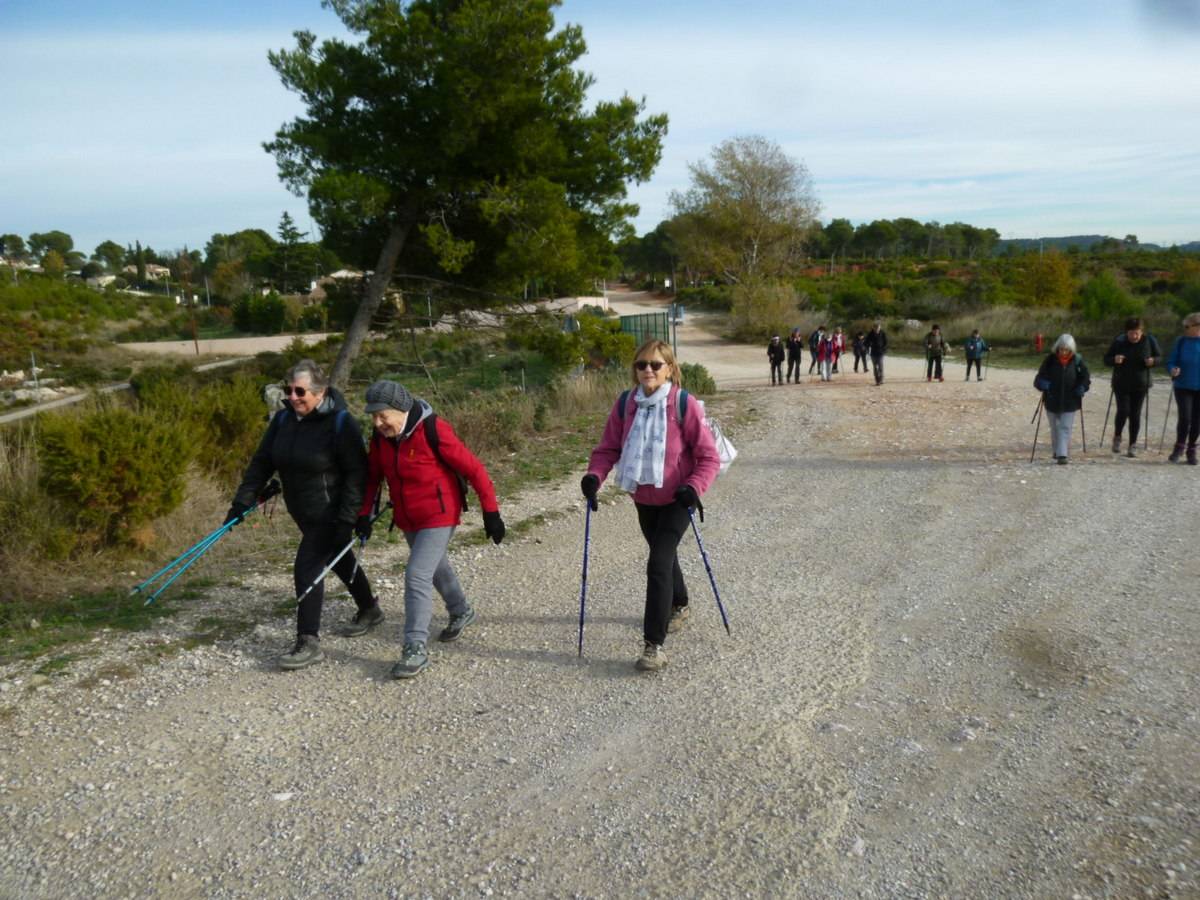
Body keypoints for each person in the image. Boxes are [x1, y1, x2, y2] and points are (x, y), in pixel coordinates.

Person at [581, 339, 721, 672]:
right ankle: (681, 603)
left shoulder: (683, 404)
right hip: (643, 497)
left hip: (677, 498)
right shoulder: (625, 404)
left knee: (657, 562)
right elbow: (607, 450)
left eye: (655, 365)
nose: (647, 370)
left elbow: (708, 457)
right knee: (665, 554)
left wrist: (693, 486)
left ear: (669, 369)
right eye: (641, 365)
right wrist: (593, 477)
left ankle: (652, 645)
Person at [227, 359, 376, 670]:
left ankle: (308, 640)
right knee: (339, 556)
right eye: (288, 390)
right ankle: (369, 608)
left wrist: (348, 518)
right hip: (301, 510)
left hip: (330, 511)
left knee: (307, 567)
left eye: (299, 391)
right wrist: (241, 501)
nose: (292, 397)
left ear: (320, 393)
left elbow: (356, 475)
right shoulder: (283, 420)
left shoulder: (340, 423)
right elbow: (262, 462)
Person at [358, 380, 506, 679]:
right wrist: (364, 515)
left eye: (382, 415)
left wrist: (491, 512)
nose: (377, 422)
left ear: (401, 409)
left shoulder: (433, 430)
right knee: (435, 567)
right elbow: (373, 477)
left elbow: (474, 469)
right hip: (408, 516)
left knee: (417, 574)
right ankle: (461, 610)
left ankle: (414, 647)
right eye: (372, 416)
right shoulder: (380, 438)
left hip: (440, 513)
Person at [1103, 316, 1161, 457]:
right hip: (1121, 383)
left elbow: (1159, 357)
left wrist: (1153, 361)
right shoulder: (1119, 341)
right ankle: (1117, 436)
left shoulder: (1149, 340)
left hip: (1140, 384)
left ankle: (1132, 445)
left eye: (1137, 333)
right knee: (1123, 411)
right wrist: (1114, 360)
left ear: (1142, 331)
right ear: (1126, 332)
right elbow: (1106, 359)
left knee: (1135, 414)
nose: (1134, 336)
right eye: (1131, 333)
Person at [1034, 334, 1091, 465]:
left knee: (1065, 427)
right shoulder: (1050, 360)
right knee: (1054, 427)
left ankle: (1062, 454)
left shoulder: (1077, 361)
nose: (1063, 352)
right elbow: (1039, 377)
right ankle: (1056, 450)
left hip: (1070, 400)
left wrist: (1082, 387)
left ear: (1071, 349)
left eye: (1066, 349)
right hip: (1052, 399)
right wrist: (1042, 383)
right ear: (1057, 348)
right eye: (1061, 349)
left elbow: (1086, 378)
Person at [1165, 311, 1200, 464]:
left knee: (1197, 420)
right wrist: (1172, 369)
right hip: (1183, 385)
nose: (1185, 328)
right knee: (1185, 418)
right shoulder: (1181, 341)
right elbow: (1171, 361)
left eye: (1187, 326)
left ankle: (1191, 450)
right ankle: (1179, 447)